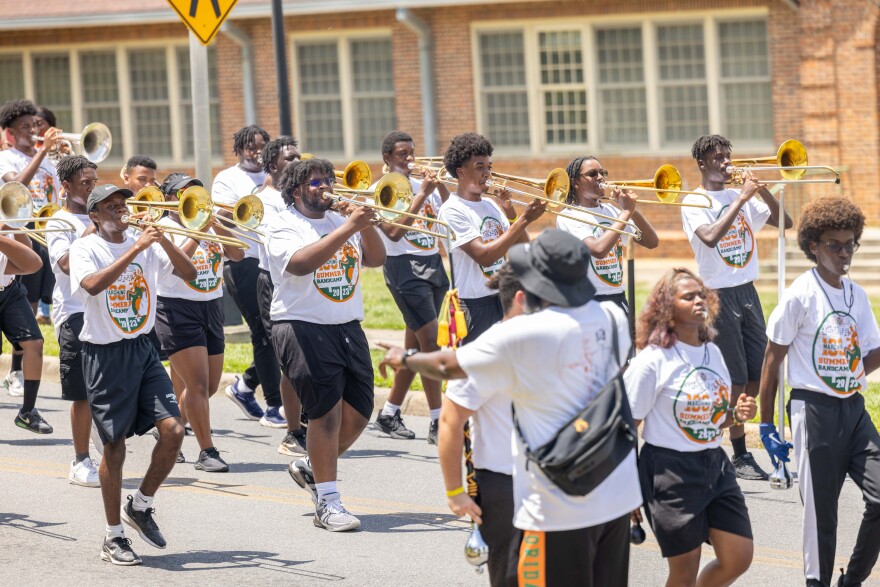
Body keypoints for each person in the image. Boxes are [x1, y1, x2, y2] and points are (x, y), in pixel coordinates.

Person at [381, 229, 641, 587]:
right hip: (615, 487)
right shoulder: (613, 317)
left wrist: (405, 357)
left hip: (561, 502)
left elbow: (445, 366)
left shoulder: (523, 334)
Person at [68, 184, 196, 565]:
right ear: (94, 215)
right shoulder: (85, 247)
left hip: (143, 349)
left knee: (173, 430)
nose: (120, 211)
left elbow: (188, 273)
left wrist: (162, 241)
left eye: (123, 204)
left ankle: (140, 504)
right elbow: (91, 285)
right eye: (110, 207)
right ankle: (113, 536)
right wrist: (137, 249)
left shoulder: (148, 244)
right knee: (115, 447)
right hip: (105, 354)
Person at [758, 196, 880, 587]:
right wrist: (766, 426)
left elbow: (868, 355)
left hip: (854, 411)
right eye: (835, 245)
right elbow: (772, 360)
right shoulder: (800, 295)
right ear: (814, 245)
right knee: (820, 517)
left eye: (850, 244)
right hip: (814, 412)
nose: (844, 253)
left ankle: (853, 580)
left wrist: (854, 370)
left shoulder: (856, 295)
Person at [267, 158, 385, 532]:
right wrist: (350, 225)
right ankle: (328, 503)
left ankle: (313, 467)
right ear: (298, 189)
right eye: (317, 182)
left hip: (346, 323)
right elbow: (300, 264)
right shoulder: (282, 223)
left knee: (360, 411)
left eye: (328, 180)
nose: (326, 187)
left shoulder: (339, 218)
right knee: (326, 414)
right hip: (302, 324)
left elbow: (377, 258)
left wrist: (363, 226)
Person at [625, 268, 755, 587]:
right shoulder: (653, 360)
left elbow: (717, 418)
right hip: (669, 472)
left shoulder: (713, 353)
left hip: (715, 465)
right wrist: (626, 490)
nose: (699, 300)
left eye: (701, 295)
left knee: (738, 556)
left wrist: (736, 415)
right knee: (683, 572)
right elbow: (626, 426)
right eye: (688, 296)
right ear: (667, 307)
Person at [682, 134, 792, 481]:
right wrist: (742, 197)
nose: (725, 162)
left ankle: (740, 442)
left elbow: (785, 222)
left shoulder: (739, 195)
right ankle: (738, 453)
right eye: (717, 157)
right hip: (717, 294)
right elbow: (711, 237)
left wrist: (758, 191)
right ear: (702, 162)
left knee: (756, 375)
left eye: (727, 156)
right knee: (731, 378)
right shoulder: (693, 201)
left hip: (747, 290)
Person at [438, 264, 523, 587]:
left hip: (550, 483)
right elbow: (450, 419)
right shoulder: (488, 349)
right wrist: (456, 491)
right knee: (514, 578)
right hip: (505, 484)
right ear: (523, 298)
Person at [153, 173, 244, 472]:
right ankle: (207, 451)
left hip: (211, 306)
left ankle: (170, 430)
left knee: (210, 385)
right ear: (169, 199)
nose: (193, 199)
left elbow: (238, 254)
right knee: (198, 384)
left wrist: (216, 224)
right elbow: (175, 269)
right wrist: (197, 234)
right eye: (185, 194)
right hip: (176, 307)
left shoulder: (207, 223)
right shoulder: (161, 227)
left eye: (196, 193)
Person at [372, 131, 450, 444]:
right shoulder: (382, 188)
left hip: (432, 263)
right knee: (431, 344)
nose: (409, 159)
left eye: (411, 152)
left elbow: (449, 210)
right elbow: (391, 232)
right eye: (402, 154)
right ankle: (437, 420)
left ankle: (389, 413)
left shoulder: (424, 184)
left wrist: (439, 184)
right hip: (403, 268)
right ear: (387, 159)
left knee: (416, 346)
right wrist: (420, 195)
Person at [437, 132, 544, 343]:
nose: (488, 174)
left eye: (489, 167)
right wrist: (525, 219)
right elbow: (483, 256)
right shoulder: (452, 210)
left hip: (500, 296)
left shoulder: (490, 205)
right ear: (461, 172)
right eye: (480, 167)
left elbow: (522, 245)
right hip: (474, 304)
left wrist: (511, 212)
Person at [214, 125, 286, 428]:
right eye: (249, 147)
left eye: (261, 146)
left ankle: (244, 386)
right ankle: (274, 405)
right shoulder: (227, 179)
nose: (256, 151)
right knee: (264, 331)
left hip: (274, 261)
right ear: (239, 150)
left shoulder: (281, 174)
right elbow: (220, 217)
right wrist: (259, 193)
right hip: (242, 261)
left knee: (278, 333)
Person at [0, 99, 61, 397]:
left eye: (35, 125)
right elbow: (16, 190)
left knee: (39, 301)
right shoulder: (7, 159)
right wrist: (43, 153)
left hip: (51, 234)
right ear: (10, 133)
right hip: (23, 235)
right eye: (25, 127)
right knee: (26, 303)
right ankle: (15, 371)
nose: (32, 131)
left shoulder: (49, 160)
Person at [46, 155, 101, 485]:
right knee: (81, 393)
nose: (93, 188)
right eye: (86, 183)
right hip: (74, 312)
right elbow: (65, 264)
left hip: (107, 312)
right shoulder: (59, 222)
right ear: (65, 187)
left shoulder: (105, 218)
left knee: (108, 388)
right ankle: (80, 460)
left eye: (96, 181)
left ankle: (102, 440)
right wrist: (94, 229)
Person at [255, 136, 307, 456]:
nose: (297, 161)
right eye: (290, 158)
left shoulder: (302, 197)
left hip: (305, 278)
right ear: (273, 166)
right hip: (274, 279)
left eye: (299, 156)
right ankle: (293, 432)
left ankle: (306, 420)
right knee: (290, 359)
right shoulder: (263, 200)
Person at [559, 156, 659, 314]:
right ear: (575, 182)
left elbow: (651, 242)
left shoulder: (612, 211)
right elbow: (598, 250)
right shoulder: (568, 215)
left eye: (602, 173)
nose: (600, 177)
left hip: (618, 297)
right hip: (589, 300)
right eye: (592, 174)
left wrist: (632, 211)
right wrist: (626, 211)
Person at [0, 209, 49, 433]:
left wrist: (14, 225)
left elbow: (31, 263)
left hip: (8, 289)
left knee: (35, 344)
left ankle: (27, 412)